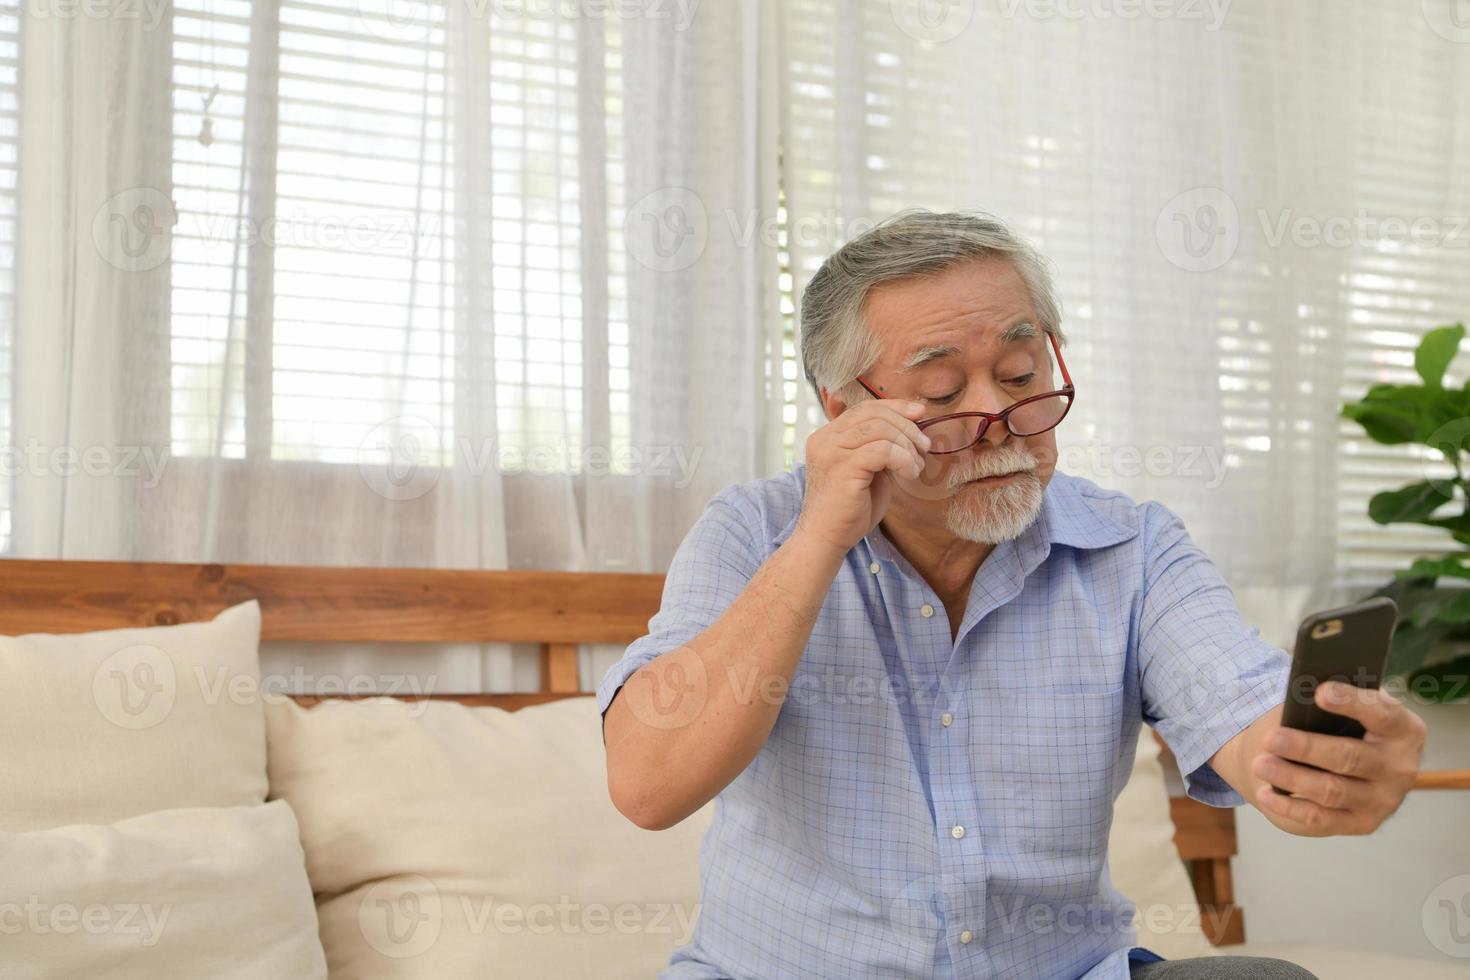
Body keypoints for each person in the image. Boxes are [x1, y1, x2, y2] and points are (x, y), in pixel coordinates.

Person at [598, 210, 1426, 979]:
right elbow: (648, 786)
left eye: (1021, 371)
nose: (1002, 415)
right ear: (845, 408)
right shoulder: (754, 531)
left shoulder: (1131, 547)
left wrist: (1307, 761)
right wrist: (821, 538)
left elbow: (1241, 706)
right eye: (944, 392)